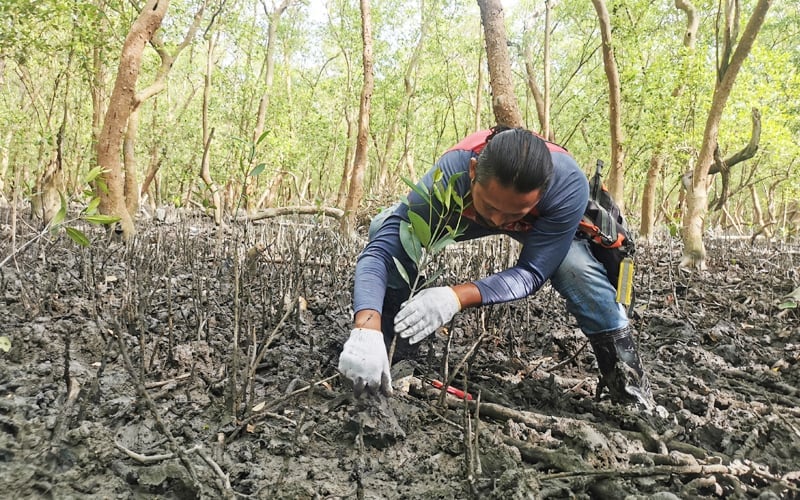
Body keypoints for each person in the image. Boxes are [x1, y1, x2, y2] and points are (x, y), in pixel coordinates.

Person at [338, 126, 653, 408]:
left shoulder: (566, 187)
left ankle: (632, 392)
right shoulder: (451, 175)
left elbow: (531, 273)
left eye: (512, 212)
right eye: (491, 207)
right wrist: (366, 325)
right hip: (464, 214)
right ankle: (392, 350)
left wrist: (454, 297)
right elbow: (381, 251)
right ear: (473, 171)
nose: (499, 221)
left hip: (539, 227)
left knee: (578, 272)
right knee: (384, 226)